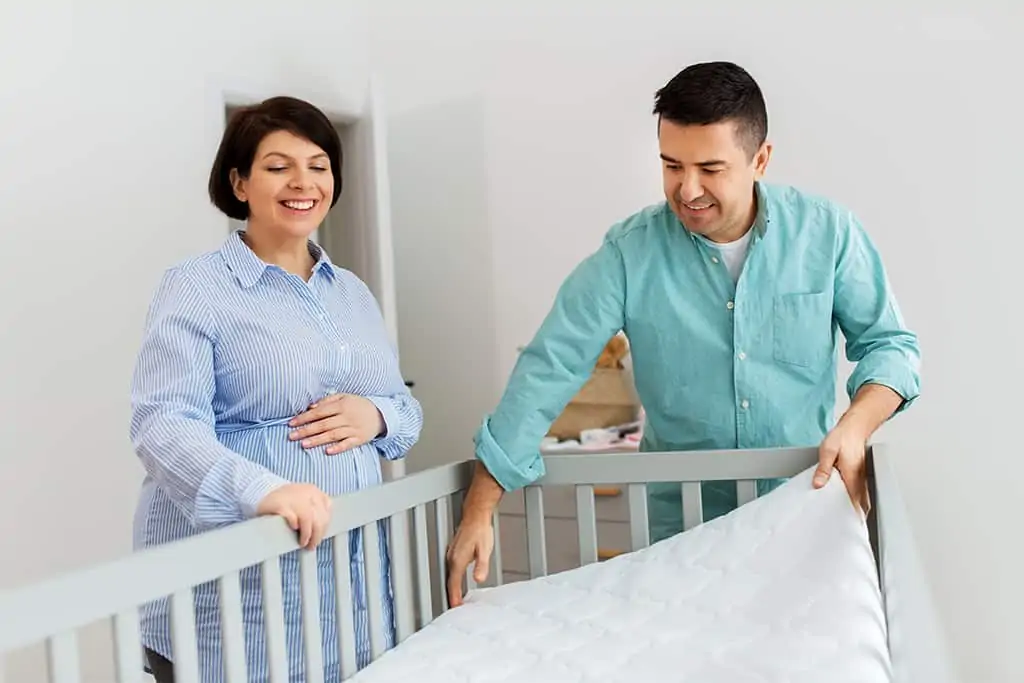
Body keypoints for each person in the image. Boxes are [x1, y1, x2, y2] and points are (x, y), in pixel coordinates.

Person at [445, 61, 920, 606]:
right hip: (677, 533)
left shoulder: (828, 233)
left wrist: (856, 426)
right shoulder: (629, 252)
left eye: (710, 168)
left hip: (801, 514)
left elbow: (890, 346)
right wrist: (481, 506)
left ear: (760, 160)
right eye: (671, 165)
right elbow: (551, 364)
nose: (687, 189)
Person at [130, 95, 422, 681]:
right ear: (239, 183)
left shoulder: (353, 294)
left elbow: (406, 412)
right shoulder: (196, 287)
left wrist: (378, 417)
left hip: (354, 593)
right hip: (245, 599)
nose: (303, 182)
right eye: (278, 166)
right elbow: (162, 424)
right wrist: (264, 490)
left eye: (318, 165)